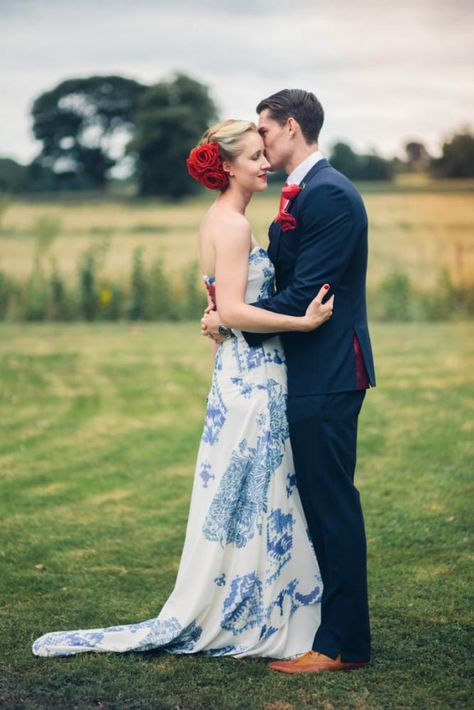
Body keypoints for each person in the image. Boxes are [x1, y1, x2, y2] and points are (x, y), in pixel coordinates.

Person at [32, 119, 334, 659]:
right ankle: (261, 614)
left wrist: (218, 318)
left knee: (245, 493)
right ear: (228, 167)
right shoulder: (236, 227)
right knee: (261, 493)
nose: (265, 164)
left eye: (265, 155)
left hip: (233, 374)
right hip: (255, 375)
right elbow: (237, 310)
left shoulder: (215, 220)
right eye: (254, 158)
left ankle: (251, 603)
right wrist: (303, 324)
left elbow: (221, 306)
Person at [202, 90, 376, 673]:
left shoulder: (330, 196)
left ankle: (342, 646)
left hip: (327, 371)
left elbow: (308, 297)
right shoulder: (302, 193)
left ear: (292, 128)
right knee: (320, 506)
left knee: (333, 507)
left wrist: (232, 317)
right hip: (303, 370)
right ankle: (327, 629)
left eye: (266, 131)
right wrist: (226, 310)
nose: (262, 142)